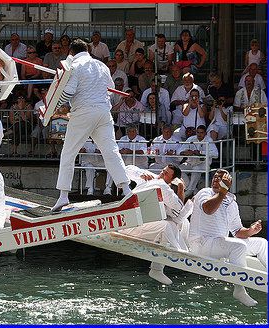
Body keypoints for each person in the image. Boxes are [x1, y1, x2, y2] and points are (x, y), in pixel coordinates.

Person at [51, 39, 131, 211]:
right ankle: (126, 190)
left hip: (84, 112)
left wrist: (54, 105)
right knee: (111, 151)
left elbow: (68, 92)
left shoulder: (74, 66)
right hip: (103, 112)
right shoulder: (101, 65)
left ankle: (64, 196)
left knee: (68, 153)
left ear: (71, 52)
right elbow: (109, 89)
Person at [189, 169, 268, 306]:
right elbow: (208, 209)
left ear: (228, 182)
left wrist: (251, 230)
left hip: (218, 244)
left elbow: (237, 231)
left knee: (261, 243)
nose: (216, 179)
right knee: (239, 247)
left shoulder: (231, 201)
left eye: (220, 178)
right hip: (201, 243)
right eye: (214, 177)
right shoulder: (205, 193)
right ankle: (239, 289)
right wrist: (222, 192)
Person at [121, 164, 189, 284]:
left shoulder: (165, 188)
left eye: (166, 173)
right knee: (169, 225)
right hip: (130, 223)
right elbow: (126, 169)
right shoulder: (156, 180)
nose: (162, 174)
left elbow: (178, 211)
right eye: (163, 171)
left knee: (178, 223)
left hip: (137, 222)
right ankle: (181, 254)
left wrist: (179, 189)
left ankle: (157, 268)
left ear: (173, 180)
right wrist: (139, 174)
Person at [178, 125, 218, 198]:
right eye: (198, 132)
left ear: (205, 133)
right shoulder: (191, 139)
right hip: (190, 163)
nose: (199, 134)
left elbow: (216, 154)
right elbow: (179, 151)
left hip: (203, 164)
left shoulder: (209, 140)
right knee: (178, 170)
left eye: (201, 133)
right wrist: (185, 152)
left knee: (196, 169)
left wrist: (201, 152)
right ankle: (192, 189)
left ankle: (189, 191)